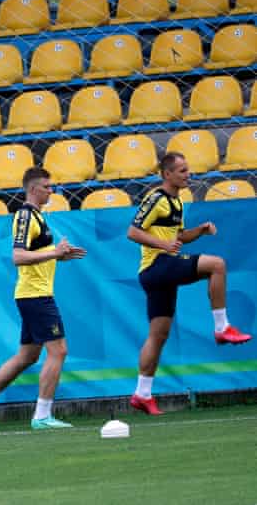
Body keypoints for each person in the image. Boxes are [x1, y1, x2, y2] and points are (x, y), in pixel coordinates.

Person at [127, 152, 251, 415]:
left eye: (188, 169)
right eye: (182, 171)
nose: (188, 175)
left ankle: (142, 393)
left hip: (160, 270)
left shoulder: (177, 202)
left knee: (158, 335)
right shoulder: (156, 198)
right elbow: (133, 231)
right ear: (167, 174)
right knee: (217, 265)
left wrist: (200, 231)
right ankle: (222, 327)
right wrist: (163, 244)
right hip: (157, 266)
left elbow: (180, 236)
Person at [0, 168, 86, 432]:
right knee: (59, 350)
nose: (51, 191)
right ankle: (42, 415)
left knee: (28, 356)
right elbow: (18, 256)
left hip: (34, 294)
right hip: (35, 295)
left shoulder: (37, 217)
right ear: (32, 189)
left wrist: (59, 255)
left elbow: (35, 253)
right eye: (46, 186)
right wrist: (54, 252)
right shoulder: (24, 215)